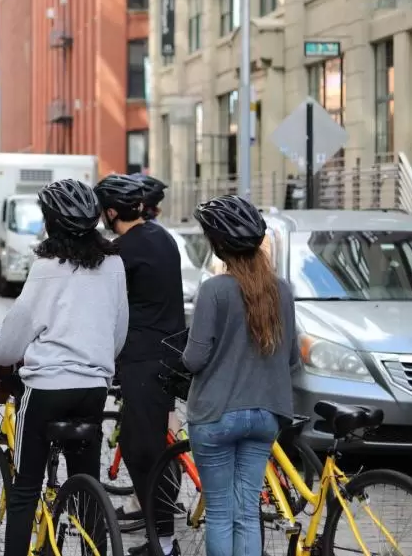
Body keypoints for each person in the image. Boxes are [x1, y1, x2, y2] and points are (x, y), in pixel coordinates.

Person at [0, 178, 128, 556]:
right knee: (85, 482)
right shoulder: (114, 263)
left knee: (26, 487)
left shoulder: (46, 266)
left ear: (50, 222)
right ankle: (93, 543)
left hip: (48, 388)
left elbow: (15, 334)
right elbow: (118, 331)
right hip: (94, 387)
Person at [184, 195, 298, 556]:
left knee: (219, 514)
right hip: (266, 413)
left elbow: (195, 359)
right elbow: (292, 358)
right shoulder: (282, 290)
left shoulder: (214, 290)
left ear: (218, 245)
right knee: (247, 513)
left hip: (217, 413)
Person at [94, 173, 185, 556]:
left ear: (112, 212)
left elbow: (105, 308)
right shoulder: (162, 237)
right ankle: (160, 537)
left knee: (141, 452)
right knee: (155, 449)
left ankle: (163, 543)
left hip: (144, 362)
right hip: (172, 355)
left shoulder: (121, 252)